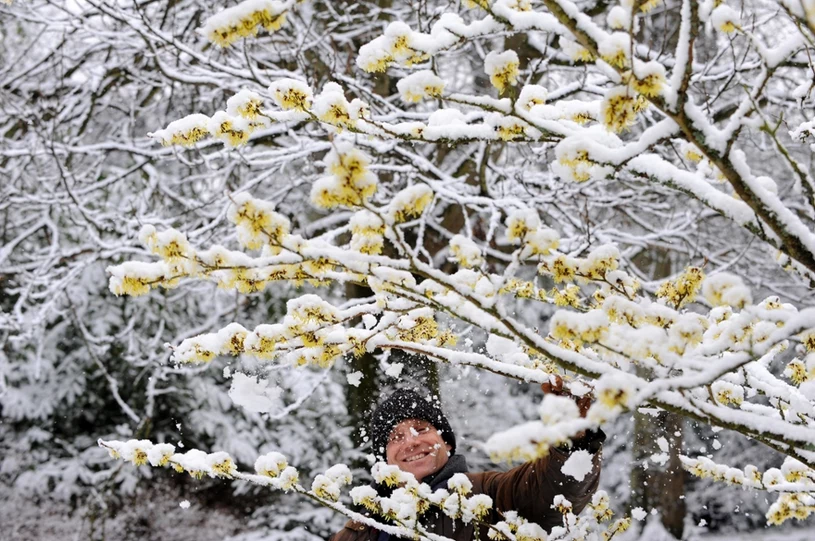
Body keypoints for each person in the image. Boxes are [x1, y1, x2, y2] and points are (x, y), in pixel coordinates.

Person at [330, 382, 605, 541]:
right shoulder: (360, 530)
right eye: (395, 437)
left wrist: (573, 439)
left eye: (422, 428)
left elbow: (548, 492)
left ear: (446, 442)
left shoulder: (489, 494)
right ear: (385, 458)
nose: (411, 442)